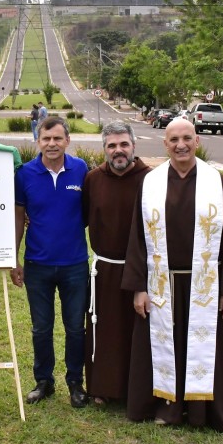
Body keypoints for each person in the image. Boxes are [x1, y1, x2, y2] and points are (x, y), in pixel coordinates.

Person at [122, 118, 223, 432]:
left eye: (187, 138)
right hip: (161, 282)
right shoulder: (150, 183)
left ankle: (204, 412)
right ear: (165, 144)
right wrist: (139, 287)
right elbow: (137, 237)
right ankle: (168, 408)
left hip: (205, 283)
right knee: (165, 345)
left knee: (205, 346)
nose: (181, 145)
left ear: (197, 141)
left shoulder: (215, 181)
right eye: (174, 140)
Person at [11, 116, 90, 408]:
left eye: (57, 138)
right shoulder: (24, 174)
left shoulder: (81, 169)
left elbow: (89, 211)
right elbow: (19, 217)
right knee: (41, 328)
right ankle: (44, 381)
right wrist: (13, 258)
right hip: (37, 264)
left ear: (67, 140)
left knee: (75, 328)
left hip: (75, 264)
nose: (52, 144)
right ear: (38, 141)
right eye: (46, 139)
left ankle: (75, 382)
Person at [81, 121, 151, 405]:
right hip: (105, 269)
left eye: (123, 144)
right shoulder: (93, 179)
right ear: (104, 149)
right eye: (111, 145)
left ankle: (138, 389)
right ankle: (104, 388)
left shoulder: (151, 179)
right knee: (106, 330)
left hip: (142, 269)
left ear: (134, 145)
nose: (118, 150)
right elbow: (82, 217)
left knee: (137, 331)